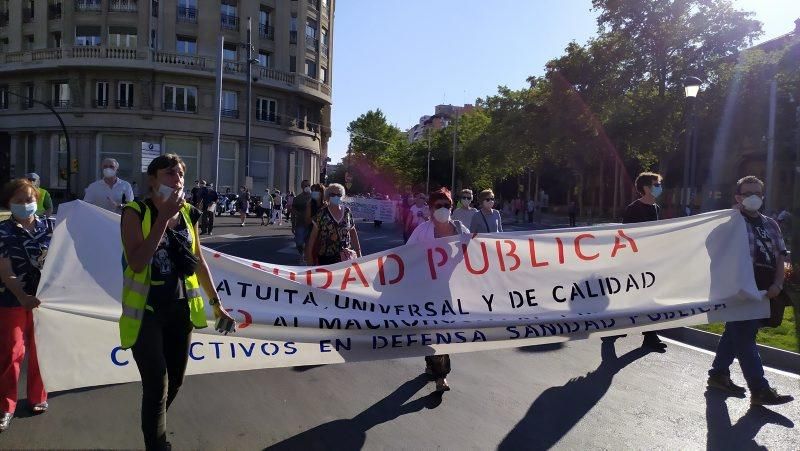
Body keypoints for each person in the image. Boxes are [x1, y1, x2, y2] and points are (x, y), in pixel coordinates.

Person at [120, 154, 235, 450]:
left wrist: (216, 303)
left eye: (181, 174)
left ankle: (153, 423)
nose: (178, 179)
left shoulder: (188, 214)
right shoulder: (134, 212)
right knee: (156, 383)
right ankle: (156, 444)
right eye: (170, 173)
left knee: (175, 381)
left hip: (180, 310)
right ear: (152, 179)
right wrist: (161, 219)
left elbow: (198, 262)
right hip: (146, 313)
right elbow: (136, 262)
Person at [707, 176, 794, 406]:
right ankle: (760, 389)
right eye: (747, 194)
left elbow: (780, 257)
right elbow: (711, 244)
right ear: (738, 197)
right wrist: (731, 218)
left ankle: (718, 373)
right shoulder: (731, 222)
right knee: (745, 336)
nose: (753, 197)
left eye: (757, 193)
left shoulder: (770, 224)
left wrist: (778, 284)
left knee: (736, 330)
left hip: (764, 291)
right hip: (740, 290)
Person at [0, 179, 52, 433]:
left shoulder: (51, 227)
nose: (25, 205)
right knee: (12, 353)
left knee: (41, 352)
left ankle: (37, 396)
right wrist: (22, 296)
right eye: (19, 201)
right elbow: (5, 270)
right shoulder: (2, 231)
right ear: (9, 203)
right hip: (13, 300)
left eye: (29, 199)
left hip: (45, 302)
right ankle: (5, 405)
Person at [407, 187, 470, 392]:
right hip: (426, 291)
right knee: (431, 331)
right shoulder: (422, 231)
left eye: (447, 205)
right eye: (438, 206)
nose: (443, 209)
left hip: (451, 291)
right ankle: (437, 372)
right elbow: (405, 256)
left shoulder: (461, 230)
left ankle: (439, 374)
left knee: (443, 332)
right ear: (431, 208)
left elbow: (475, 255)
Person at [603, 172, 667, 352]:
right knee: (627, 296)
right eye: (656, 184)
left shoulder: (656, 208)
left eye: (659, 184)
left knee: (650, 298)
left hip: (650, 261)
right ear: (646, 188)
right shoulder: (633, 209)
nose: (659, 187)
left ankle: (650, 335)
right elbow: (624, 237)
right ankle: (612, 327)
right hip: (633, 261)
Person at [306, 183, 361, 266]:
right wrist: (309, 256)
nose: (336, 197)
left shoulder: (347, 212)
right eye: (333, 194)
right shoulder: (321, 214)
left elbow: (353, 232)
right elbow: (313, 237)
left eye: (339, 194)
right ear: (328, 196)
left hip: (345, 257)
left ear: (342, 196)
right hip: (326, 258)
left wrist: (359, 252)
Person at [292, 181, 312, 261]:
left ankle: (306, 257)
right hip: (300, 224)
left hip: (311, 225)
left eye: (308, 185)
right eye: (305, 185)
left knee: (309, 242)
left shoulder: (313, 198)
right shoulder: (297, 199)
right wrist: (293, 225)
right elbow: (293, 212)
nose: (307, 187)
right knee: (299, 243)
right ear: (302, 187)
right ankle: (302, 253)